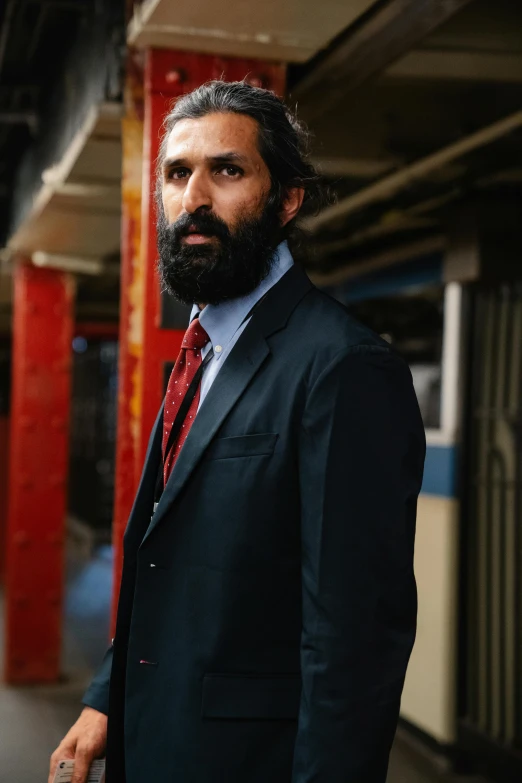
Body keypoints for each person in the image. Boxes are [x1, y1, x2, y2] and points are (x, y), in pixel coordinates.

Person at [49, 81, 425, 783]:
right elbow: (163, 561)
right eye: (176, 172)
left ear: (286, 200)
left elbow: (354, 641)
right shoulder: (198, 349)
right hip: (152, 739)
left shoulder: (343, 367)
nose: (194, 197)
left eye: (227, 170)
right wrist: (107, 698)